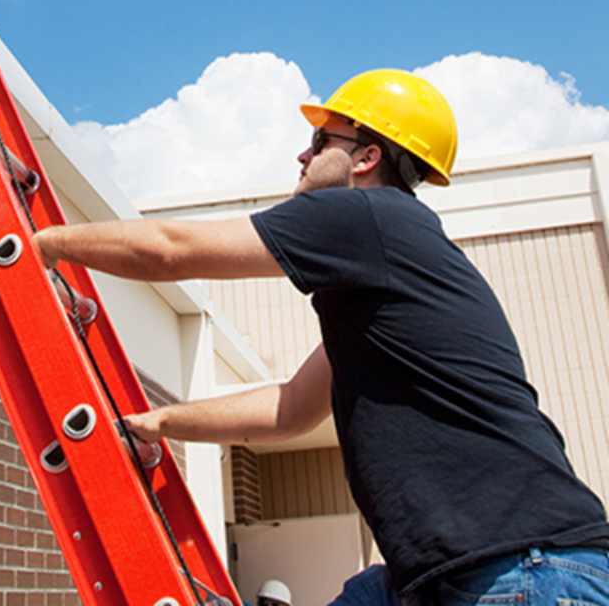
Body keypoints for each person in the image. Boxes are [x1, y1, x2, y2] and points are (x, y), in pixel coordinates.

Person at [33, 69, 609, 606]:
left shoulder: (369, 217)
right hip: (472, 570)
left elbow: (172, 249)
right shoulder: (386, 270)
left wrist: (45, 243)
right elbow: (289, 408)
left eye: (320, 139)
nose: (303, 155)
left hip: (523, 572)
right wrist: (162, 422)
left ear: (367, 157)